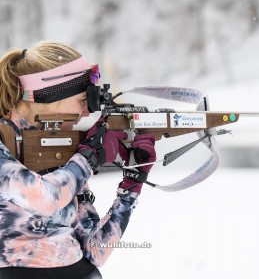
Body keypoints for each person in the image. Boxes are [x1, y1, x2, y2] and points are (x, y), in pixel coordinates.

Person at [0, 41, 156, 279]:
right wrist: (89, 157)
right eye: (83, 101)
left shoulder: (60, 152)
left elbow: (97, 252)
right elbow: (43, 198)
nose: (86, 113)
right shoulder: (8, 142)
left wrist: (132, 185)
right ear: (49, 94)